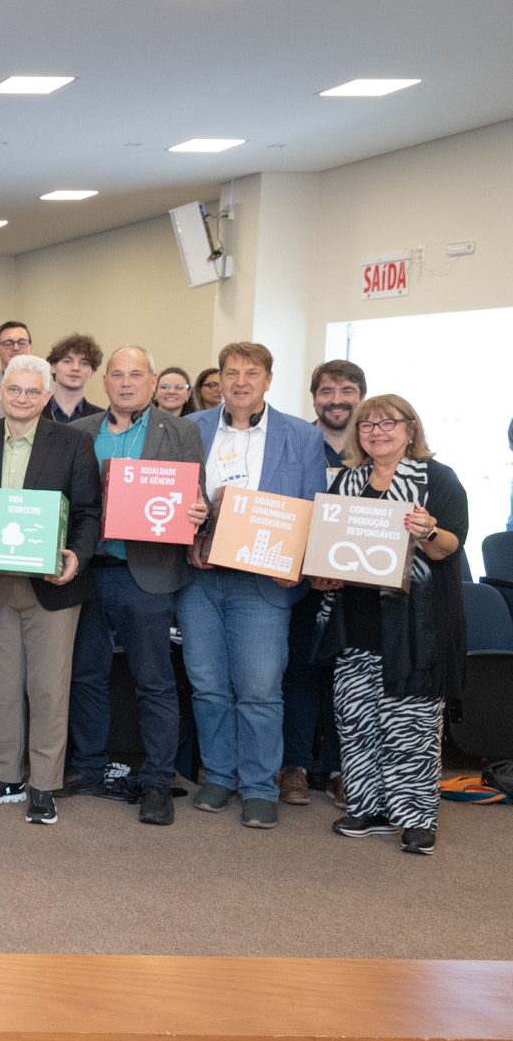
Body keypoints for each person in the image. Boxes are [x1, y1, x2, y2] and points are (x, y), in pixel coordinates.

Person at [178, 341, 330, 828]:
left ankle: (261, 784)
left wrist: (300, 560)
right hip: (199, 578)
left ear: (268, 379)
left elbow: (312, 506)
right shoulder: (190, 429)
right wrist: (188, 530)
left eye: (251, 372)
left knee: (261, 688)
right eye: (230, 372)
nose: (239, 381)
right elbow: (170, 496)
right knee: (207, 685)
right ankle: (221, 776)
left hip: (264, 581)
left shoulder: (301, 436)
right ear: (218, 380)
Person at [311, 395, 467, 856]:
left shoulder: (436, 479)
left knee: (411, 724)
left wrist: (428, 531)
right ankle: (367, 806)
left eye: (388, 423)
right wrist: (322, 572)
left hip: (414, 626)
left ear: (410, 428)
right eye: (367, 425)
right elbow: (329, 548)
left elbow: (449, 547)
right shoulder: (348, 479)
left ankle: (416, 817)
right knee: (356, 720)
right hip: (355, 620)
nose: (376, 431)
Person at [0, 355, 102, 826]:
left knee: (47, 690)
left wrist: (76, 558)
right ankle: (5, 776)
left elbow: (87, 513)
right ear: (0, 393)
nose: (22, 398)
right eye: (14, 389)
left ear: (46, 395)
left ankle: (43, 784)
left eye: (32, 391)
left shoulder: (75, 443)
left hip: (52, 588)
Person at [66, 346, 204, 825]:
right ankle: (86, 767)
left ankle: (158, 780)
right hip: (87, 573)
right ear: (104, 383)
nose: (127, 383)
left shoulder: (181, 431)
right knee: (86, 675)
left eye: (136, 375)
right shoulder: (79, 432)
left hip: (146, 574)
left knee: (154, 681)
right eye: (118, 375)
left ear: (152, 382)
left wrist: (198, 512)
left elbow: (196, 497)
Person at [285, 359, 367, 807]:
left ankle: (340, 769)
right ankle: (294, 766)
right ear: (314, 396)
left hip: (355, 584)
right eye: (327, 391)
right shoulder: (297, 442)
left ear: (360, 395)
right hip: (299, 578)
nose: (336, 400)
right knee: (298, 672)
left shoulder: (372, 448)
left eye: (347, 390)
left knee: (344, 678)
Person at [43, 334, 106, 423]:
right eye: (67, 361)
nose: (75, 368)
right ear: (53, 367)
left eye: (84, 363)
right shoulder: (34, 414)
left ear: (92, 372)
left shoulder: (103, 419)